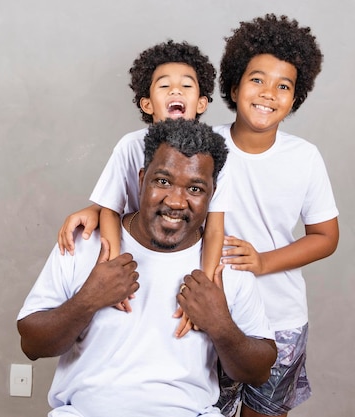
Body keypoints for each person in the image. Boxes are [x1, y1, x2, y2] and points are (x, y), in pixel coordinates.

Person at [17, 119, 277, 417]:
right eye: (163, 181)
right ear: (142, 179)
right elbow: (31, 344)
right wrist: (87, 300)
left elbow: (259, 371)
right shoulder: (86, 242)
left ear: (212, 193)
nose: (176, 201)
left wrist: (221, 325)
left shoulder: (226, 262)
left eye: (195, 188)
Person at [56, 41, 232, 336]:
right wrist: (114, 269)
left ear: (201, 103)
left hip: (180, 252)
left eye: (186, 86)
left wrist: (208, 283)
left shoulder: (213, 152)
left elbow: (215, 228)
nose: (176, 91)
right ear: (147, 104)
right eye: (165, 86)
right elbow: (111, 209)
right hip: (138, 250)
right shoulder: (130, 145)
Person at [214, 14, 340, 417]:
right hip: (213, 315)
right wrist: (97, 209)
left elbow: (325, 236)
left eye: (283, 85)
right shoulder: (203, 146)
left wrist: (264, 261)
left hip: (279, 319)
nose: (269, 93)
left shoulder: (304, 157)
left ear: (294, 97)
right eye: (257, 80)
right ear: (234, 86)